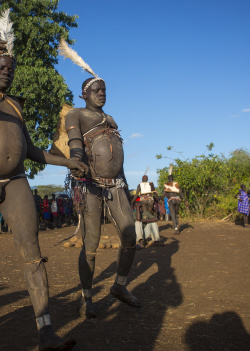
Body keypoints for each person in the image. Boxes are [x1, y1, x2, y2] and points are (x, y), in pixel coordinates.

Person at [0, 34, 86, 349]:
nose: (6, 72)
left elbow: (31, 150)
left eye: (10, 69)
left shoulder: (15, 106)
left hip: (16, 182)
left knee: (33, 254)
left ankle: (45, 329)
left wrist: (68, 163)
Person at [65, 73, 139, 317]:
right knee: (91, 243)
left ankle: (119, 285)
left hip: (117, 184)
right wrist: (76, 159)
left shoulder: (110, 119)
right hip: (90, 185)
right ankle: (86, 298)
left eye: (104, 90)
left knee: (130, 235)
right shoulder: (76, 113)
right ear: (84, 94)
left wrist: (126, 188)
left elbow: (117, 158)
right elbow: (75, 142)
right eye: (96, 90)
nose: (102, 93)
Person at [162, 165, 189, 234]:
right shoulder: (176, 185)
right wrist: (185, 200)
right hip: (178, 200)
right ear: (173, 179)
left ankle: (176, 228)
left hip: (172, 200)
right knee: (176, 214)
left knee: (173, 214)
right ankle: (176, 225)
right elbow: (181, 193)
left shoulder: (167, 185)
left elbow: (163, 194)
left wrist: (161, 198)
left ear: (168, 179)